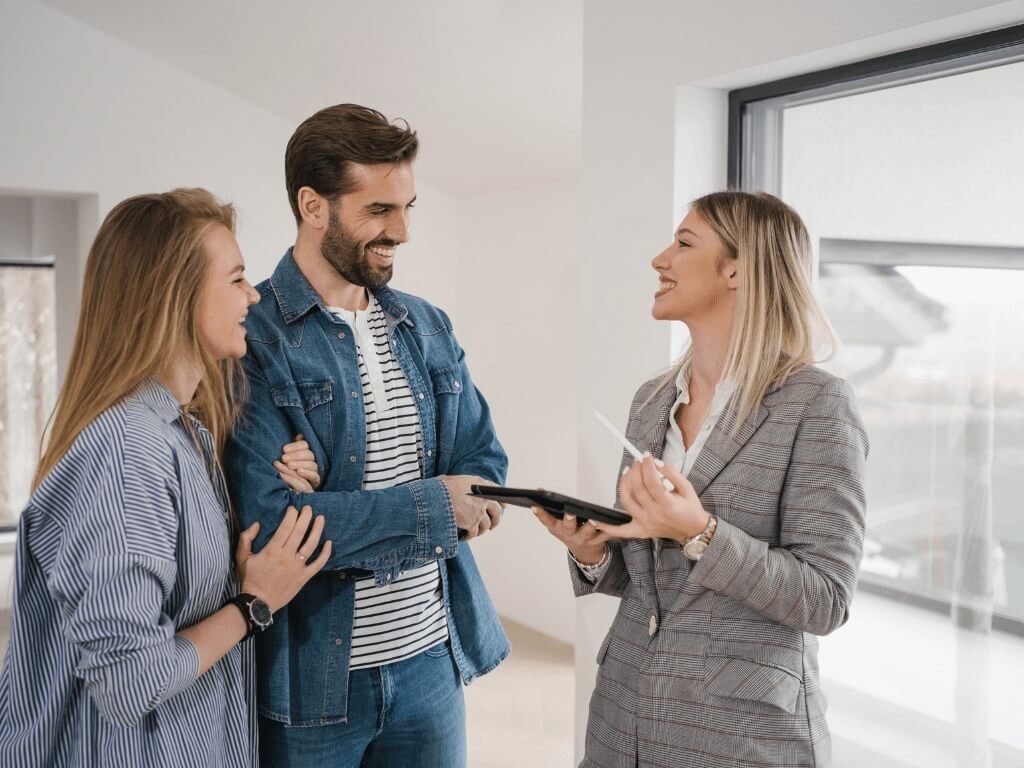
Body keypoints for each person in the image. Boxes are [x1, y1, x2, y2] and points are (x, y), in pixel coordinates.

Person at [534, 191, 869, 768]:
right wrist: (593, 553)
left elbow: (825, 599)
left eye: (684, 243)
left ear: (737, 268)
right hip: (622, 721)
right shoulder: (651, 401)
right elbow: (648, 579)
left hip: (739, 738)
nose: (659, 260)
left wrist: (702, 532)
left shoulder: (817, 404)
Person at [0, 189, 332, 767]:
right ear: (176, 297)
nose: (252, 295)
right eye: (235, 279)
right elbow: (131, 682)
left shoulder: (186, 431)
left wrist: (242, 559)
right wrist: (255, 603)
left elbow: (169, 592)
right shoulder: (129, 451)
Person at [223, 103, 509, 768]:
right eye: (379, 209)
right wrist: (439, 505)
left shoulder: (427, 325)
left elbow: (485, 464)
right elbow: (271, 528)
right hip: (315, 683)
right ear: (312, 204)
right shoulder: (253, 336)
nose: (402, 230)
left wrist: (334, 508)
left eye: (408, 206)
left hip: (432, 664)